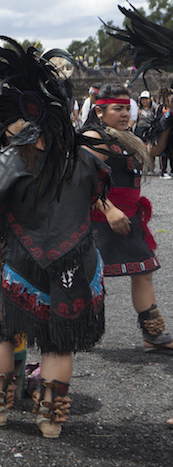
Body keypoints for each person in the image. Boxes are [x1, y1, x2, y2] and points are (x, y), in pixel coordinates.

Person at [0, 39, 107, 439]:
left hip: (24, 262)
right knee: (59, 344)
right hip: (77, 262)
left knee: (0, 329)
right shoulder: (86, 159)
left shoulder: (6, 162)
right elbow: (95, 196)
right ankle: (51, 420)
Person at [80, 83, 173, 352]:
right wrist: (108, 209)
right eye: (117, 108)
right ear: (100, 111)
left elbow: (153, 153)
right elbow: (82, 181)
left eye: (126, 108)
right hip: (98, 219)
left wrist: (167, 124)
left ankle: (153, 335)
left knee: (144, 271)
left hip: (129, 219)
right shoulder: (93, 137)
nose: (124, 113)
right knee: (87, 278)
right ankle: (75, 332)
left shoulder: (125, 136)